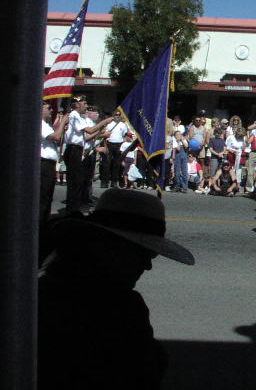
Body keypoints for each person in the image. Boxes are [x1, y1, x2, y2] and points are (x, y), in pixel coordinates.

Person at [38, 188, 194, 390]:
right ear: (110, 247)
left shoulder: (44, 290)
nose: (147, 265)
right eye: (143, 253)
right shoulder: (120, 308)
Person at [63, 95, 113, 214]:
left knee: (79, 180)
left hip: (78, 149)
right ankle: (72, 209)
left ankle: (76, 206)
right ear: (77, 104)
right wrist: (104, 122)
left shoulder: (77, 116)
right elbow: (89, 131)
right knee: (75, 181)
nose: (86, 106)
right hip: (73, 149)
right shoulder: (74, 115)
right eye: (84, 104)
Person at [40, 102, 69, 262]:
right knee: (42, 199)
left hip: (49, 164)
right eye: (48, 108)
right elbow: (55, 137)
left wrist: (62, 127)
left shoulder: (47, 125)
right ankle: (40, 227)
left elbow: (58, 140)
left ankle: (43, 225)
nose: (52, 110)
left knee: (47, 199)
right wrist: (63, 122)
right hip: (43, 164)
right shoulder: (39, 124)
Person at [105, 109, 129, 188]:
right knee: (107, 163)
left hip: (118, 145)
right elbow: (105, 135)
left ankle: (114, 182)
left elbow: (124, 135)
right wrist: (105, 146)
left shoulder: (123, 125)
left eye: (119, 115)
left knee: (117, 164)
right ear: (113, 115)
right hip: (110, 144)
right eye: (116, 115)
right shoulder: (109, 124)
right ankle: (105, 182)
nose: (117, 116)